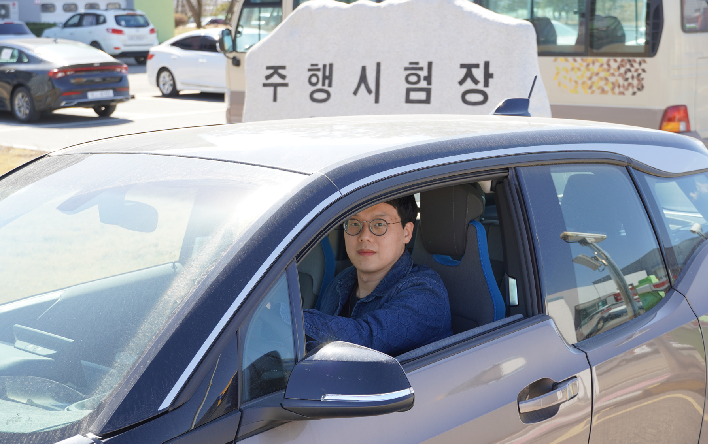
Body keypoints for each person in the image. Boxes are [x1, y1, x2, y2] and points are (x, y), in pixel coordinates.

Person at [303, 196, 452, 356]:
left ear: (407, 233)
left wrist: (288, 317)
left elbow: (364, 341)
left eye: (379, 224)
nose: (364, 236)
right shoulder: (342, 282)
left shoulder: (426, 293)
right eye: (354, 223)